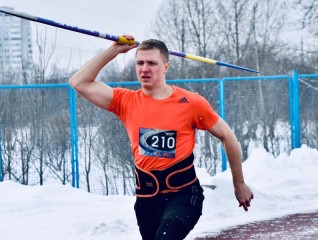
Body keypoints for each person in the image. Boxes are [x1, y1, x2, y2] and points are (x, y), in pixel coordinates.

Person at [69, 35, 254, 240]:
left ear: (166, 66)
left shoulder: (191, 103)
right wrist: (113, 51)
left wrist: (239, 183)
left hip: (183, 195)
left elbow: (228, 136)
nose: (144, 69)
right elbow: (79, 82)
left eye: (151, 63)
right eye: (140, 63)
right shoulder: (125, 101)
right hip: (146, 201)